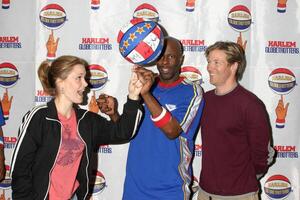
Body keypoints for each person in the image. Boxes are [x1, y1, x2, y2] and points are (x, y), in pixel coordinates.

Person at [9, 55, 152, 200]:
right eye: (79, 78)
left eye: (85, 78)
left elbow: (123, 132)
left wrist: (133, 96)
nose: (85, 84)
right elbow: (20, 169)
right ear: (60, 82)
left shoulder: (86, 120)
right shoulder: (39, 117)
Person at [122, 36, 205, 200]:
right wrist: (113, 113)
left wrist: (146, 94)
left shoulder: (192, 92)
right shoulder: (146, 84)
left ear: (181, 60)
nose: (165, 62)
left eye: (171, 56)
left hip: (169, 189)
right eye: (160, 56)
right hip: (134, 186)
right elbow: (129, 127)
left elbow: (172, 131)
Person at [197, 41, 275, 200]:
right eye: (209, 62)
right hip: (205, 192)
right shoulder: (205, 100)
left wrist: (244, 179)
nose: (209, 67)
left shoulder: (250, 104)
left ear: (234, 66)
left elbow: (263, 153)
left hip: (240, 194)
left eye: (216, 62)